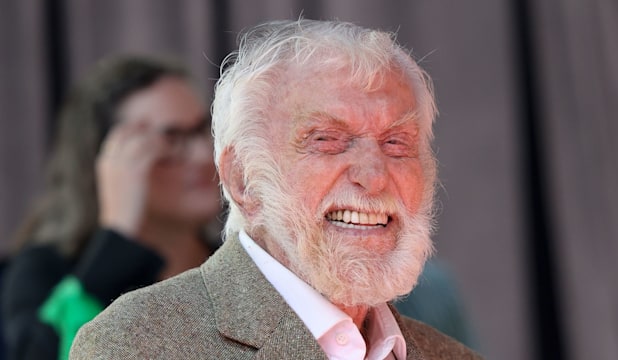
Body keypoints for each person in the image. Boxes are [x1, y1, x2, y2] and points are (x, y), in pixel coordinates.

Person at [70, 19, 483, 359]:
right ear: (243, 179)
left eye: (397, 143)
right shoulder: (136, 346)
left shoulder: (453, 356)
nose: (374, 175)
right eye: (326, 140)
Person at [2, 56, 222, 360]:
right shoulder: (45, 270)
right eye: (171, 139)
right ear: (107, 159)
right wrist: (117, 234)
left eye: (203, 130)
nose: (202, 155)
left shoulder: (236, 258)